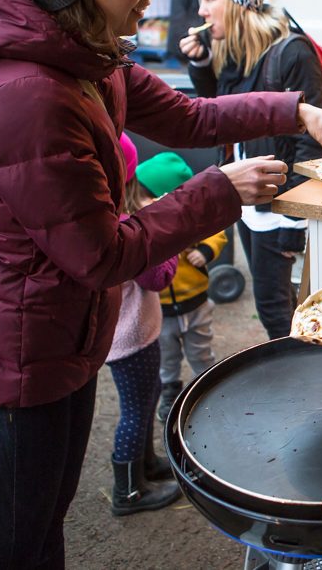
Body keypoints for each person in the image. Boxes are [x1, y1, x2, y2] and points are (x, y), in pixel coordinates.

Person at [0, 0, 322, 566]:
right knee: (3, 551)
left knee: (40, 532)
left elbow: (192, 117)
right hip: (6, 370)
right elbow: (102, 253)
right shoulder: (23, 97)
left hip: (58, 346)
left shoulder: (88, 54)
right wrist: (218, 190)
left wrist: (301, 112)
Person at [181, 0, 322, 341]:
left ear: (234, 3)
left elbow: (310, 144)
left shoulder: (292, 52)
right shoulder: (233, 52)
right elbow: (219, 117)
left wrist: (293, 226)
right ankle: (300, 367)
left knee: (272, 308)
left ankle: (296, 384)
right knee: (276, 300)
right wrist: (201, 67)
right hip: (246, 198)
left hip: (277, 204)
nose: (200, 11)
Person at [106, 134, 181, 516]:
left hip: (130, 334)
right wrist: (168, 232)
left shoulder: (104, 218)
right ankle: (129, 492)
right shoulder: (125, 225)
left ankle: (146, 464)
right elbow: (157, 278)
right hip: (130, 338)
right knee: (136, 410)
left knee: (146, 399)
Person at [138, 151, 225, 422]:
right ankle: (171, 392)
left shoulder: (191, 216)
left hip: (196, 300)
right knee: (168, 357)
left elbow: (217, 233)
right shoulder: (142, 223)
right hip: (161, 308)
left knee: (201, 350)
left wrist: (206, 251)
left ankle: (207, 387)